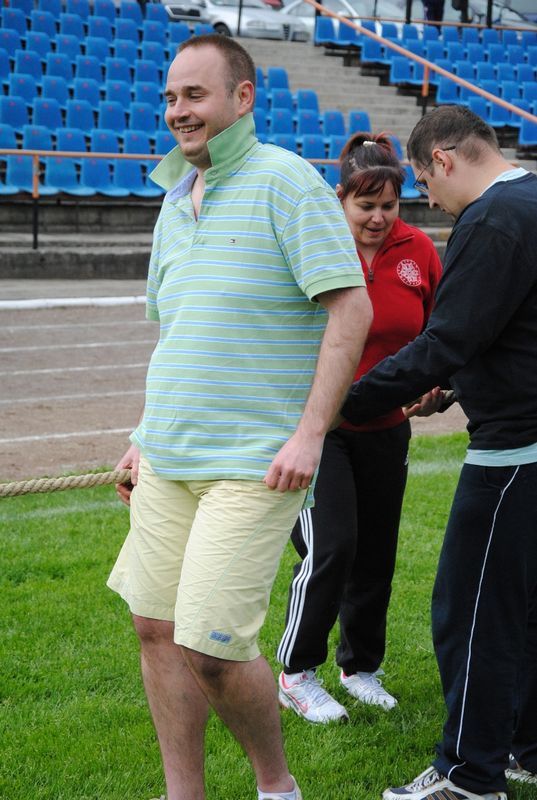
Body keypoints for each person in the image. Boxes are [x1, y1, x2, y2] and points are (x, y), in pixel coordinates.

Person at [107, 34, 373, 800]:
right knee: (155, 629)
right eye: (169, 97)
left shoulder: (285, 180)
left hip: (255, 461)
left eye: (194, 94)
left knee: (213, 648)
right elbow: (178, 332)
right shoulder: (172, 199)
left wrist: (310, 434)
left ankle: (276, 787)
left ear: (242, 97)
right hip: (167, 456)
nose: (177, 111)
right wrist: (140, 436)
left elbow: (350, 309)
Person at [339, 105, 537, 800]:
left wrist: (339, 404)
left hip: (514, 451)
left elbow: (446, 338)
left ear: (444, 161)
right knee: (523, 610)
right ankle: (524, 749)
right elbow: (511, 328)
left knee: (472, 612)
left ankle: (467, 776)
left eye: (424, 183)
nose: (429, 200)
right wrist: (456, 387)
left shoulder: (491, 217)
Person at [276, 133, 443, 723]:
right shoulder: (314, 246)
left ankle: (360, 667)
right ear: (339, 198)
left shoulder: (419, 251)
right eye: (364, 205)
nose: (377, 218)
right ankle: (297, 672)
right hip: (319, 428)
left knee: (375, 552)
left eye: (388, 206)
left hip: (387, 428)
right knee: (333, 546)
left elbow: (440, 334)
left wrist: (438, 385)